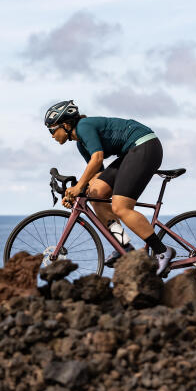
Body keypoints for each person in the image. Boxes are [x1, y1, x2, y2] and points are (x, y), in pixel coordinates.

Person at [45, 100, 175, 275]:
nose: (51, 134)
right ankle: (124, 247)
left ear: (66, 125)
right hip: (131, 152)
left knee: (120, 207)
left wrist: (79, 186)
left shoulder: (83, 126)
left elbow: (97, 158)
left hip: (144, 146)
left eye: (52, 129)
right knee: (97, 195)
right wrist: (75, 193)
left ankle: (162, 251)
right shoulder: (80, 144)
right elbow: (97, 175)